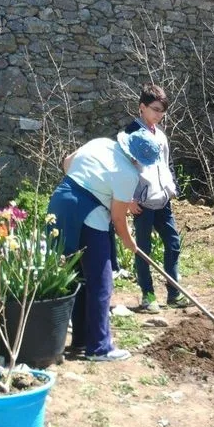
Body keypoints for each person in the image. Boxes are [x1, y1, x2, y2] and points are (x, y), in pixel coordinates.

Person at [48, 129, 160, 362]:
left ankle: (80, 341)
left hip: (60, 204)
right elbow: (119, 220)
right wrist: (131, 245)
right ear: (137, 158)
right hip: (88, 215)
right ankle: (99, 347)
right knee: (100, 282)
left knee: (76, 277)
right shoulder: (127, 173)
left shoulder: (99, 141)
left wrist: (96, 184)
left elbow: (67, 164)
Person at [124, 84, 191, 314]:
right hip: (141, 203)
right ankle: (148, 295)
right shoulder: (130, 134)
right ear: (142, 107)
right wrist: (129, 199)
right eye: (155, 109)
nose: (159, 115)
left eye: (162, 111)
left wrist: (172, 188)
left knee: (173, 244)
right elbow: (122, 169)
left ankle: (173, 292)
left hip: (162, 201)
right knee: (143, 250)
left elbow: (166, 164)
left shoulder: (160, 134)